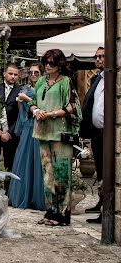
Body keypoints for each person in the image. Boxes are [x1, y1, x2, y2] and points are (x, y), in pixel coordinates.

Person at [29, 49, 78, 227]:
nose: (48, 66)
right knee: (47, 173)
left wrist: (52, 114)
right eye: (46, 62)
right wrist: (36, 110)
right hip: (42, 132)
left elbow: (72, 107)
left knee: (62, 173)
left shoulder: (66, 82)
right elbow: (32, 101)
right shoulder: (41, 81)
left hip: (60, 133)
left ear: (60, 64)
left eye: (52, 63)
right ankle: (51, 210)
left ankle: (63, 214)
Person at [8, 64, 46, 210]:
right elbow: (22, 114)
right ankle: (23, 195)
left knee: (38, 162)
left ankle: (38, 198)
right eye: (31, 72)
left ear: (41, 74)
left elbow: (44, 106)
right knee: (24, 161)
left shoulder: (44, 88)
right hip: (28, 127)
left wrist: (28, 99)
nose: (33, 74)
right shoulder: (24, 89)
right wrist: (20, 102)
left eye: (36, 72)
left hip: (42, 128)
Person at [80, 46, 105, 223]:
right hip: (97, 133)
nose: (98, 60)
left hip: (110, 134)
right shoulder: (97, 78)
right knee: (101, 170)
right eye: (96, 57)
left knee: (109, 170)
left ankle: (106, 208)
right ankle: (102, 203)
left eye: (102, 56)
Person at [0, 64, 22, 173]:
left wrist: (9, 133)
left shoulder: (21, 91)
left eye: (15, 75)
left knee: (10, 165)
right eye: (10, 73)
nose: (13, 77)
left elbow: (21, 116)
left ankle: (9, 189)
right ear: (4, 74)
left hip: (11, 135)